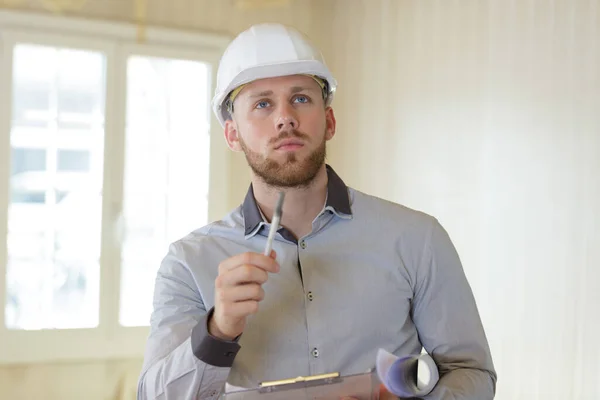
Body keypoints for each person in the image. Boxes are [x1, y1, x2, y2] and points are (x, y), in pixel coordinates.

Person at [137, 23, 497, 400]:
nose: (284, 118)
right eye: (262, 104)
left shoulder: (417, 239)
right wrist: (218, 330)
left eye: (301, 99)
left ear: (329, 121)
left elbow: (470, 372)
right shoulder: (187, 263)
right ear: (232, 134)